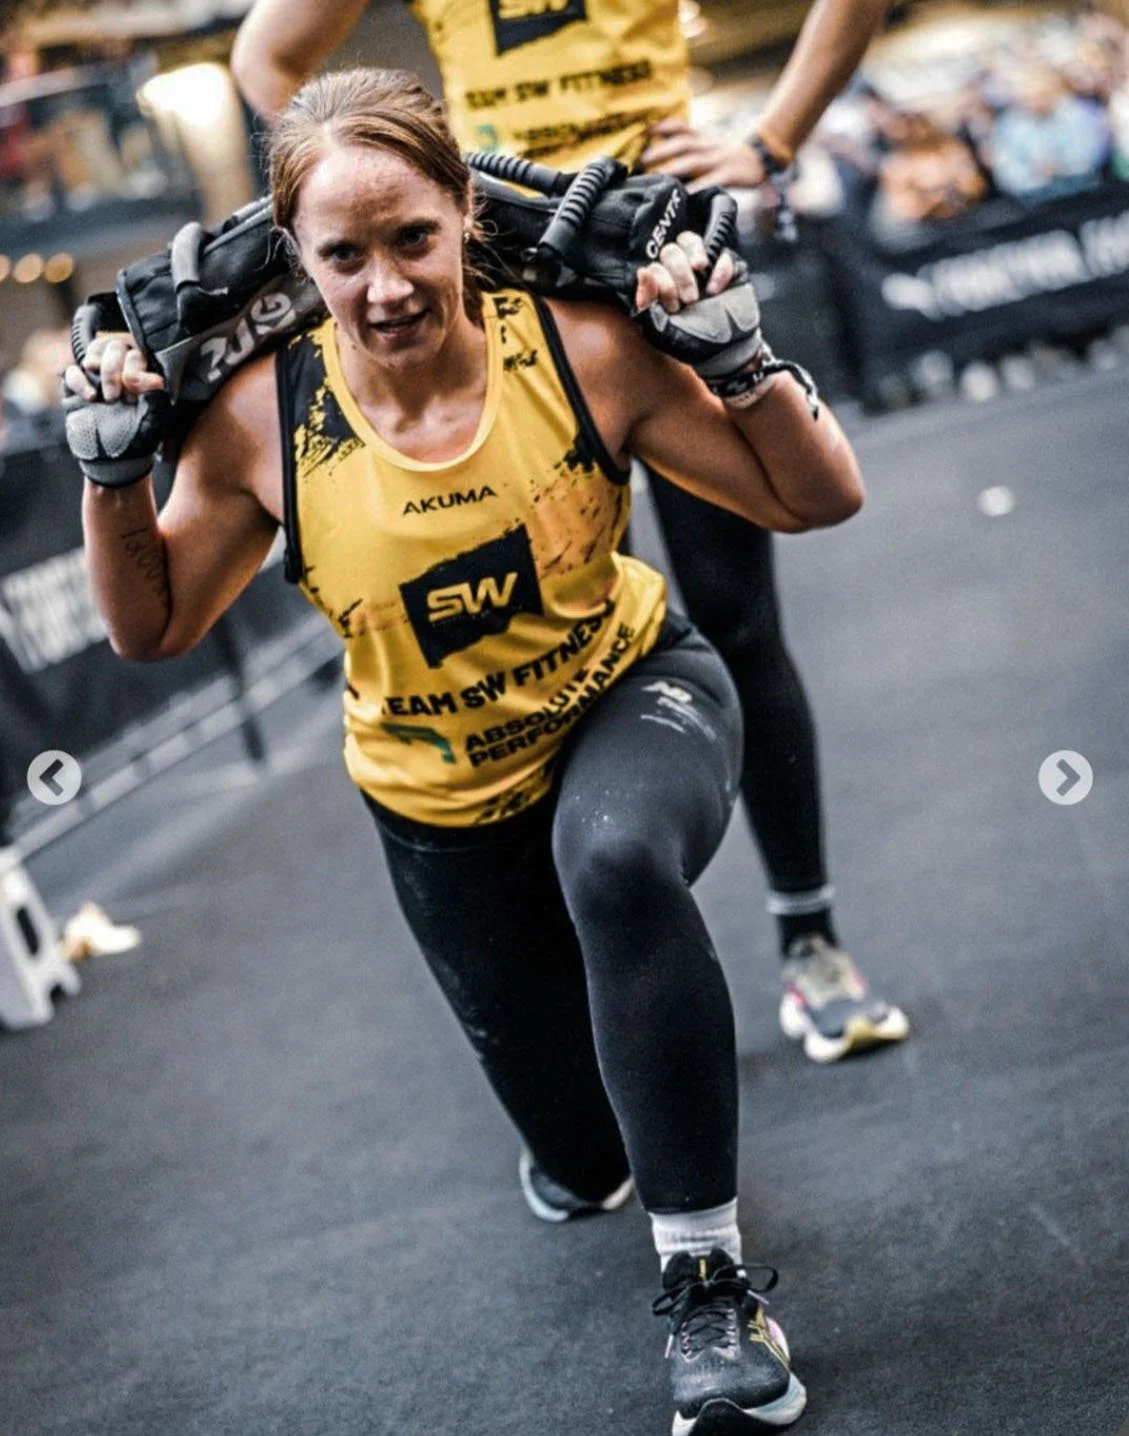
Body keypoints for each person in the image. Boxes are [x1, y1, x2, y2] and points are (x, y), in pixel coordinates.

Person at [68, 68, 864, 1434]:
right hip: (437, 801)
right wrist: (107, 481)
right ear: (296, 254)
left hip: (630, 692)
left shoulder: (580, 348)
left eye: (412, 239)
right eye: (343, 256)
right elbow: (151, 628)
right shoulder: (261, 417)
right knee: (584, 1162)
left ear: (463, 214)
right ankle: (604, 1139)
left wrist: (742, 363)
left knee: (616, 863)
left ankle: (710, 1288)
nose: (384, 286)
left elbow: (817, 496)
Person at [230, 0, 909, 1065]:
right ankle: (621, 980)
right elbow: (264, 56)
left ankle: (810, 940)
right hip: (502, 266)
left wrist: (769, 141)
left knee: (735, 614)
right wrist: (395, 186)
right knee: (562, 640)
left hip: (647, 244)